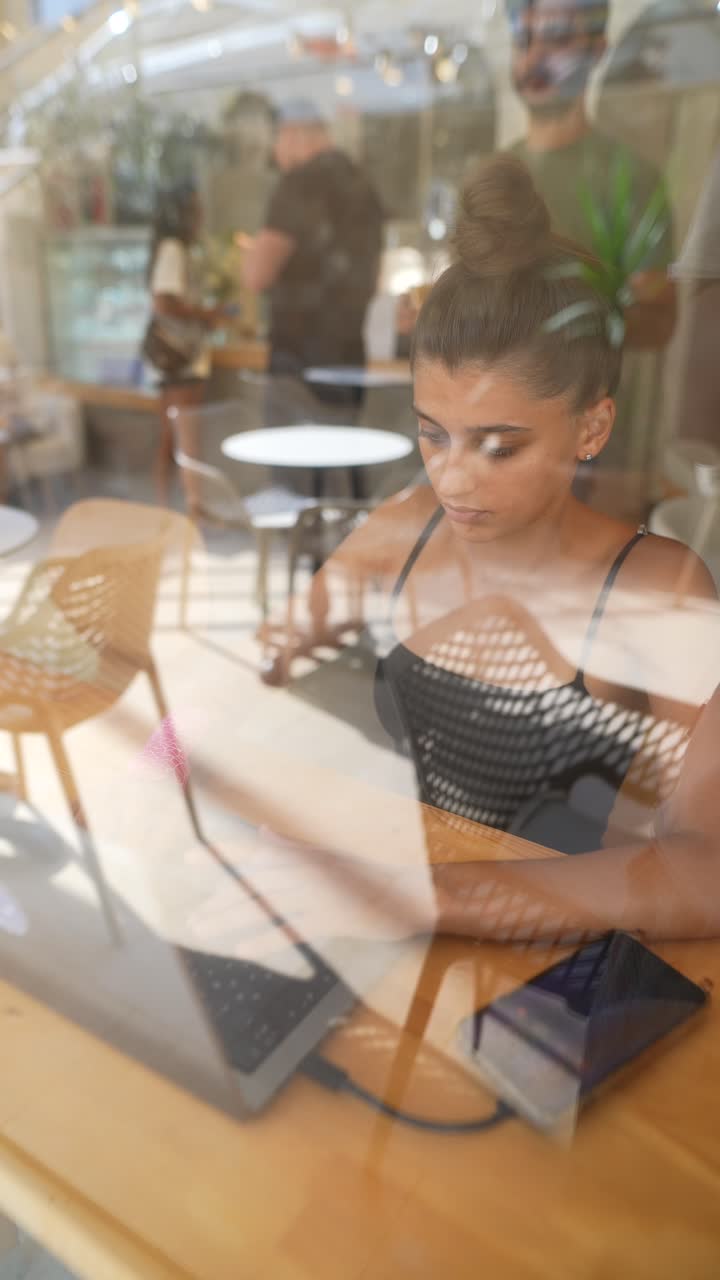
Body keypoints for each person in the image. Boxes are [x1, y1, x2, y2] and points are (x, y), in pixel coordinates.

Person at [251, 156, 719, 945]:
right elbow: (273, 651)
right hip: (417, 937)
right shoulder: (407, 525)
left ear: (592, 429)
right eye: (432, 435)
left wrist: (423, 899)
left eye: (499, 447)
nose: (453, 478)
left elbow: (709, 870)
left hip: (564, 981)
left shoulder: (658, 590)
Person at [505, 0, 676, 480]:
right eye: (524, 40)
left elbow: (659, 320)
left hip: (588, 454)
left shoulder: (629, 178)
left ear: (597, 49)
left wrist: (568, 320)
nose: (535, 57)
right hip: (495, 444)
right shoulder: (493, 177)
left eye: (557, 39)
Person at [241, 99, 384, 406]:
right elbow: (374, 276)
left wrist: (250, 251)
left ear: (292, 133)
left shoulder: (298, 184)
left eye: (276, 140)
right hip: (350, 364)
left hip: (298, 369)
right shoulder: (363, 186)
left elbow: (256, 277)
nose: (276, 153)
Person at [146, 182, 226, 504]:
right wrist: (207, 313)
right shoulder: (172, 249)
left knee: (176, 439)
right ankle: (189, 515)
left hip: (183, 358)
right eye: (194, 208)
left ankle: (177, 511)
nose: (200, 215)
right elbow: (164, 303)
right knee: (184, 440)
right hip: (180, 357)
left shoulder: (177, 250)